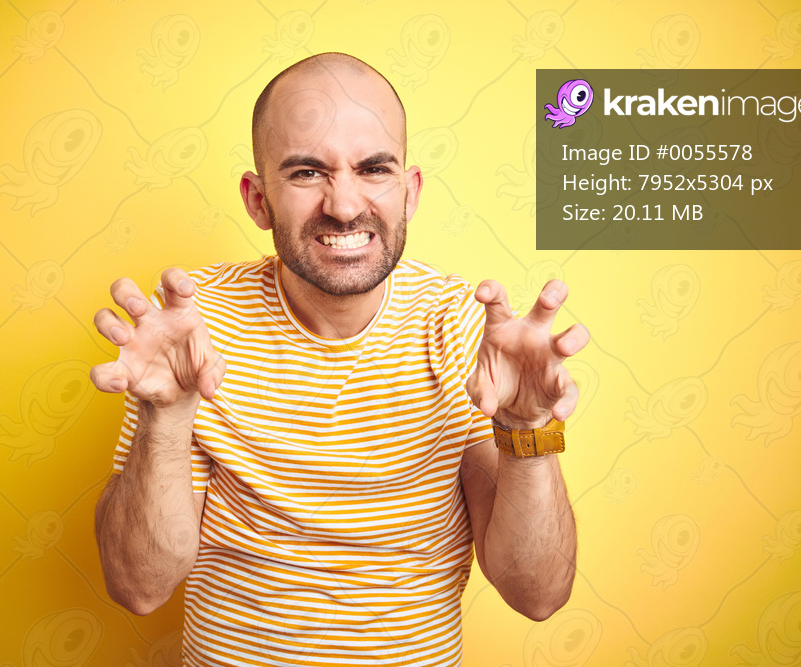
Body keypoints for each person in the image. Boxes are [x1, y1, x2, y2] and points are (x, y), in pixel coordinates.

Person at [91, 52, 589, 666]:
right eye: (306, 172)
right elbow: (139, 587)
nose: (346, 206)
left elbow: (538, 594)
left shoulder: (467, 328)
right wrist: (164, 418)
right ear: (257, 199)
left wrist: (528, 431)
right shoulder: (194, 325)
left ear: (408, 192)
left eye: (373, 169)